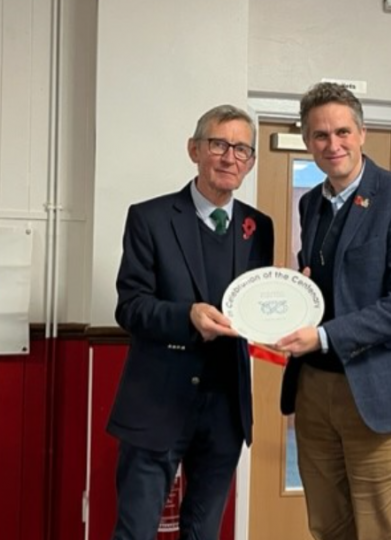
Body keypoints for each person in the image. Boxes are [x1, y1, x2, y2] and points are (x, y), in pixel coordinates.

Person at [276, 82, 391, 540]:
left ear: (362, 133)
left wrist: (325, 336)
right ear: (307, 141)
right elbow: (329, 286)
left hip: (382, 393)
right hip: (315, 391)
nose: (333, 145)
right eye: (320, 136)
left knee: (384, 531)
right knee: (328, 526)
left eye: (343, 132)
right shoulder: (312, 204)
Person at [107, 104, 274, 540]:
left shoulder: (260, 227)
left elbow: (257, 306)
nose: (229, 157)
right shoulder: (150, 218)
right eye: (218, 144)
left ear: (251, 162)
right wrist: (187, 316)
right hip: (157, 403)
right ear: (194, 150)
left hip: (225, 409)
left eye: (241, 149)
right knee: (135, 532)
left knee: (203, 532)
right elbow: (131, 307)